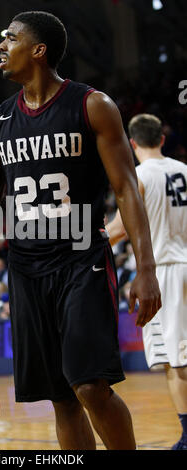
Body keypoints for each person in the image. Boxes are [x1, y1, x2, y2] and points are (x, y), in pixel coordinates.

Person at [0, 11, 161, 450]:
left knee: (90, 386)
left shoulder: (92, 105)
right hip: (26, 268)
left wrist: (145, 269)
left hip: (81, 261)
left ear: (38, 50)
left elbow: (128, 192)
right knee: (61, 398)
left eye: (10, 38)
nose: (0, 45)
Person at [106, 113, 187, 450]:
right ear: (162, 139)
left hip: (165, 270)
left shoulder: (138, 176)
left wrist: (81, 240)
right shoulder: (184, 171)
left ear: (132, 143)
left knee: (177, 360)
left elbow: (119, 229)